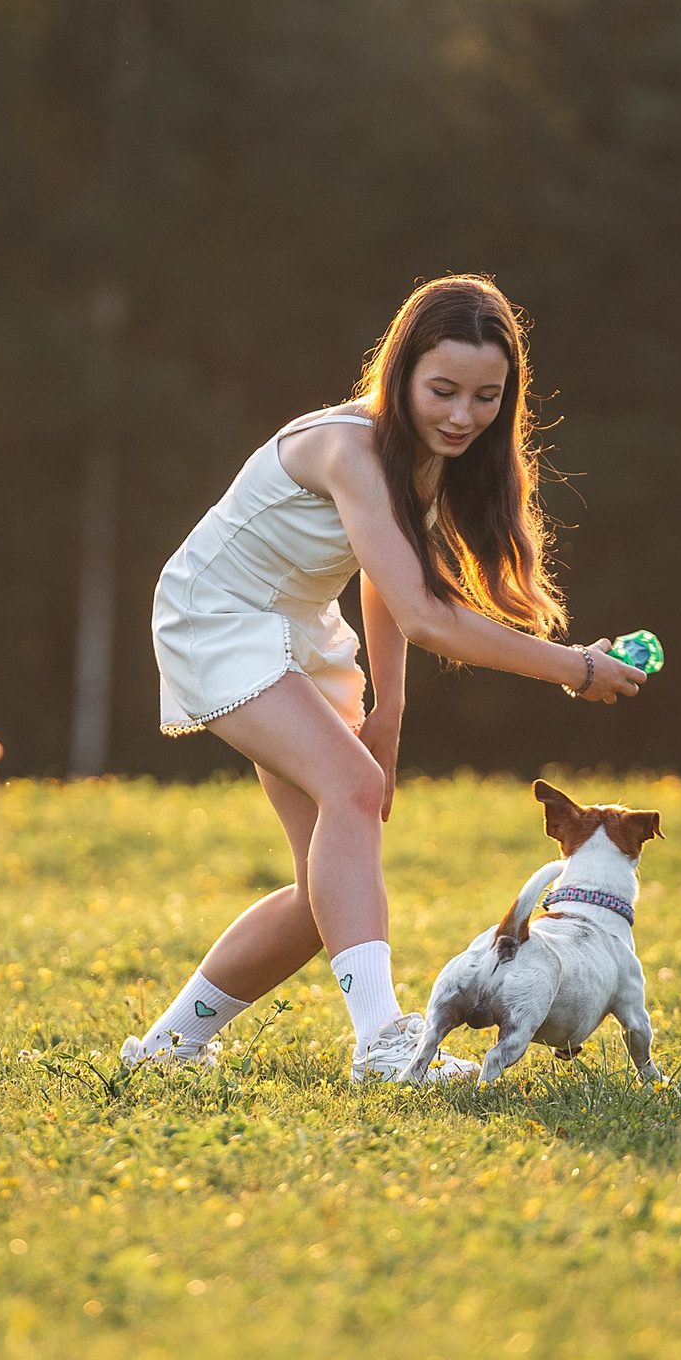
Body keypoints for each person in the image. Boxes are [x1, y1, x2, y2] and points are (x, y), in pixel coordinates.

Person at [125, 274, 647, 1082]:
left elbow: (383, 582)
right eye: (442, 390)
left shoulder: (425, 461)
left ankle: (164, 1047)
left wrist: (390, 708)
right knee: (356, 792)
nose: (462, 415)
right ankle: (383, 1043)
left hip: (296, 628)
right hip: (216, 617)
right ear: (400, 371)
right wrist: (576, 668)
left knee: (318, 901)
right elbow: (432, 615)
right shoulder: (352, 446)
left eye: (485, 397)